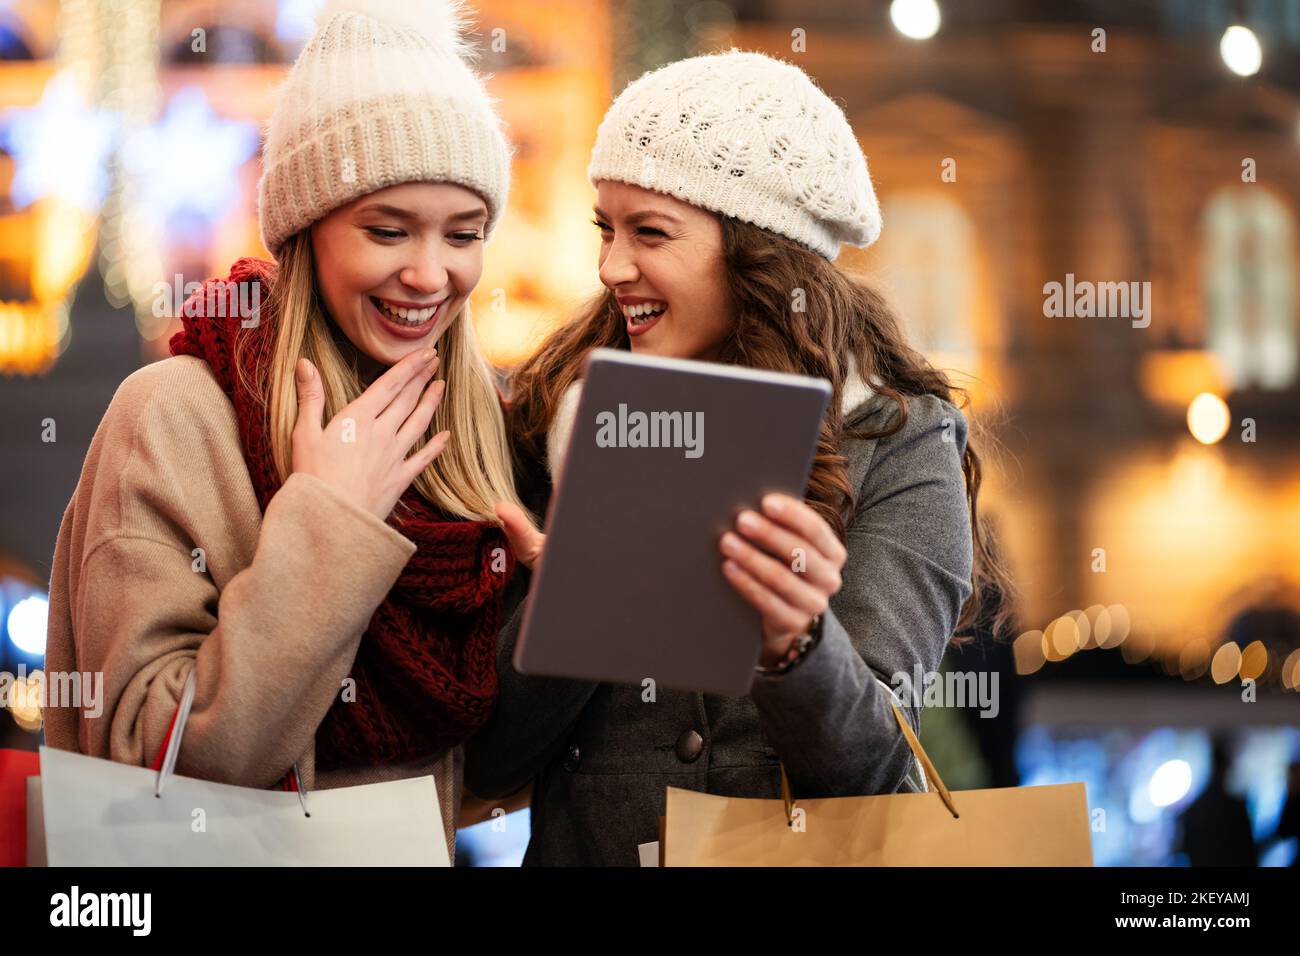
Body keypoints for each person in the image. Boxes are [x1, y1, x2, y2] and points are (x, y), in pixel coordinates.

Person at [465, 49, 1011, 865]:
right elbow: (489, 761)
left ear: (761, 252)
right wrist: (578, 600)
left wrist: (794, 647)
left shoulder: (896, 439)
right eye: (606, 229)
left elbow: (869, 771)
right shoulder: (558, 416)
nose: (612, 267)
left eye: (650, 232)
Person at [43, 0, 522, 861]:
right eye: (387, 229)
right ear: (306, 230)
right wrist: (325, 530)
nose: (430, 272)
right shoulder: (174, 414)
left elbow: (490, 765)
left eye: (464, 233)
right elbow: (147, 759)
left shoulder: (475, 427)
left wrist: (558, 609)